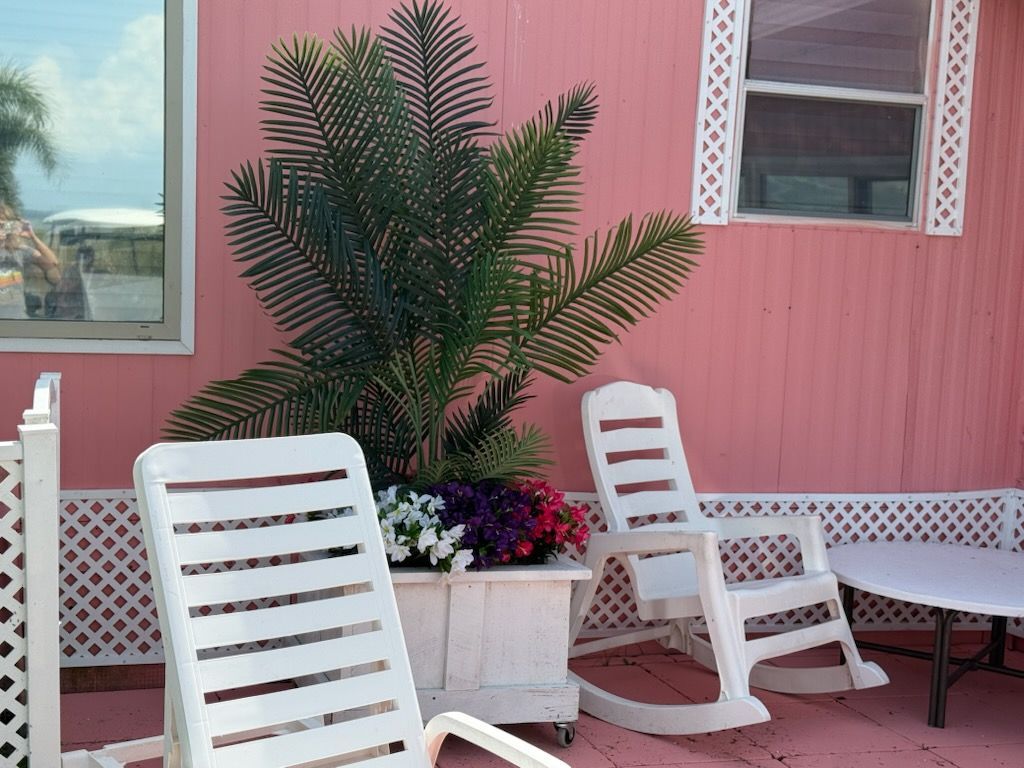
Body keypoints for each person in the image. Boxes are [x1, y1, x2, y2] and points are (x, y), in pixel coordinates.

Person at [0, 201, 61, 319]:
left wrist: (33, 237)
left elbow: (53, 264)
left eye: (2, 225)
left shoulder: (19, 251)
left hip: (17, 321)